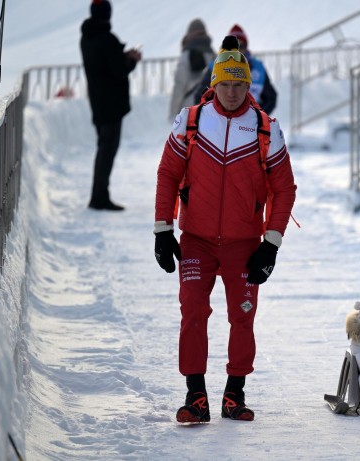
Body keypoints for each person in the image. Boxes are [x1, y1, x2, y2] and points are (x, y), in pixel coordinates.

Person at [154, 35, 297, 424]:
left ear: (249, 86)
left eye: (239, 84)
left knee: (242, 316)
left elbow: (285, 189)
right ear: (212, 85)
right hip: (196, 239)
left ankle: (235, 393)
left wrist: (271, 243)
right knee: (193, 312)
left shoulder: (266, 128)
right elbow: (168, 174)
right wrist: (163, 229)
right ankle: (195, 395)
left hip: (245, 244)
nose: (231, 92)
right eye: (225, 84)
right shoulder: (191, 121)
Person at [80, 0, 141, 211]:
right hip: (111, 105)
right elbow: (118, 70)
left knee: (103, 148)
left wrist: (121, 55)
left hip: (97, 102)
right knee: (107, 151)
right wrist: (132, 60)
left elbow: (104, 62)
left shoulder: (87, 37)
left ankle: (99, 194)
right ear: (108, 14)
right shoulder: (106, 38)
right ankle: (99, 197)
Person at [193, 24, 277, 114]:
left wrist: (257, 118)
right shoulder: (215, 67)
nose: (238, 50)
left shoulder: (258, 69)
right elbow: (200, 97)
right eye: (235, 46)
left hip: (249, 125)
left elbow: (271, 98)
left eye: (241, 46)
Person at [168, 18, 216, 120]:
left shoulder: (187, 54)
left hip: (190, 107)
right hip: (211, 104)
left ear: (189, 34)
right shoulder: (213, 54)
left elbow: (179, 85)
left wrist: (173, 114)